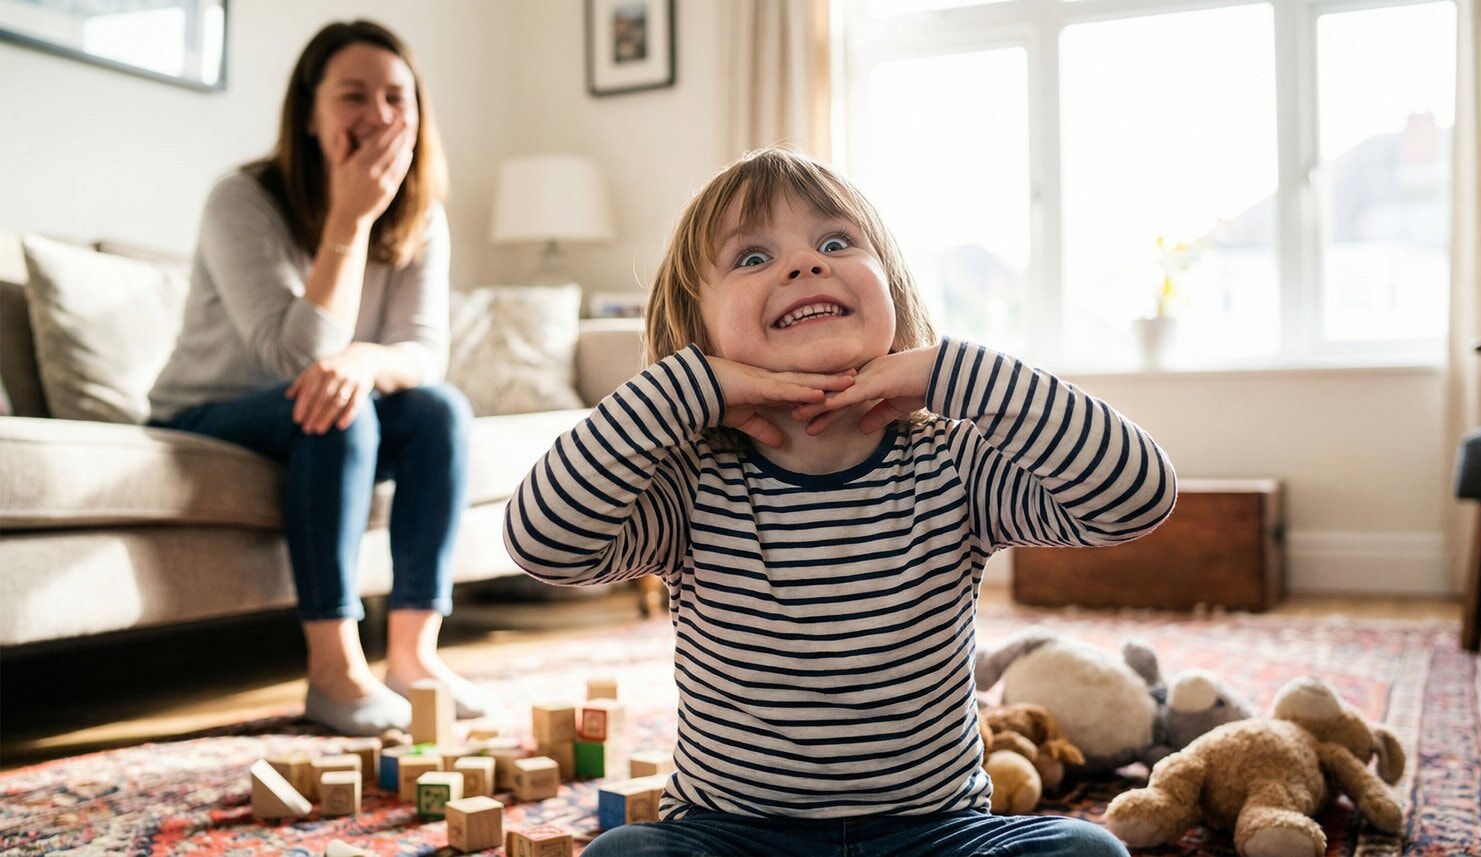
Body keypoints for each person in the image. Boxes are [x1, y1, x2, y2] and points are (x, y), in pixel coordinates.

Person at [503, 147, 1177, 856]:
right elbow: (542, 543)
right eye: (753, 257)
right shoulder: (689, 479)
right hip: (731, 836)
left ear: (893, 291)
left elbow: (1137, 496)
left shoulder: (953, 460)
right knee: (624, 854)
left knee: (1086, 850)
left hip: (936, 833)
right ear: (699, 337)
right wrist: (684, 391)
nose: (804, 264)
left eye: (834, 243)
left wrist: (958, 372)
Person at [149, 20, 488, 736]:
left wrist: (364, 361)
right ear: (309, 113)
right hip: (208, 410)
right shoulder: (240, 200)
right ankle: (334, 670)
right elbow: (294, 356)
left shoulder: (423, 216)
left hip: (325, 396)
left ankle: (412, 656)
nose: (379, 115)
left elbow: (424, 351)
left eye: (397, 97)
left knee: (440, 411)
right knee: (338, 404)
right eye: (353, 95)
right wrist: (349, 218)